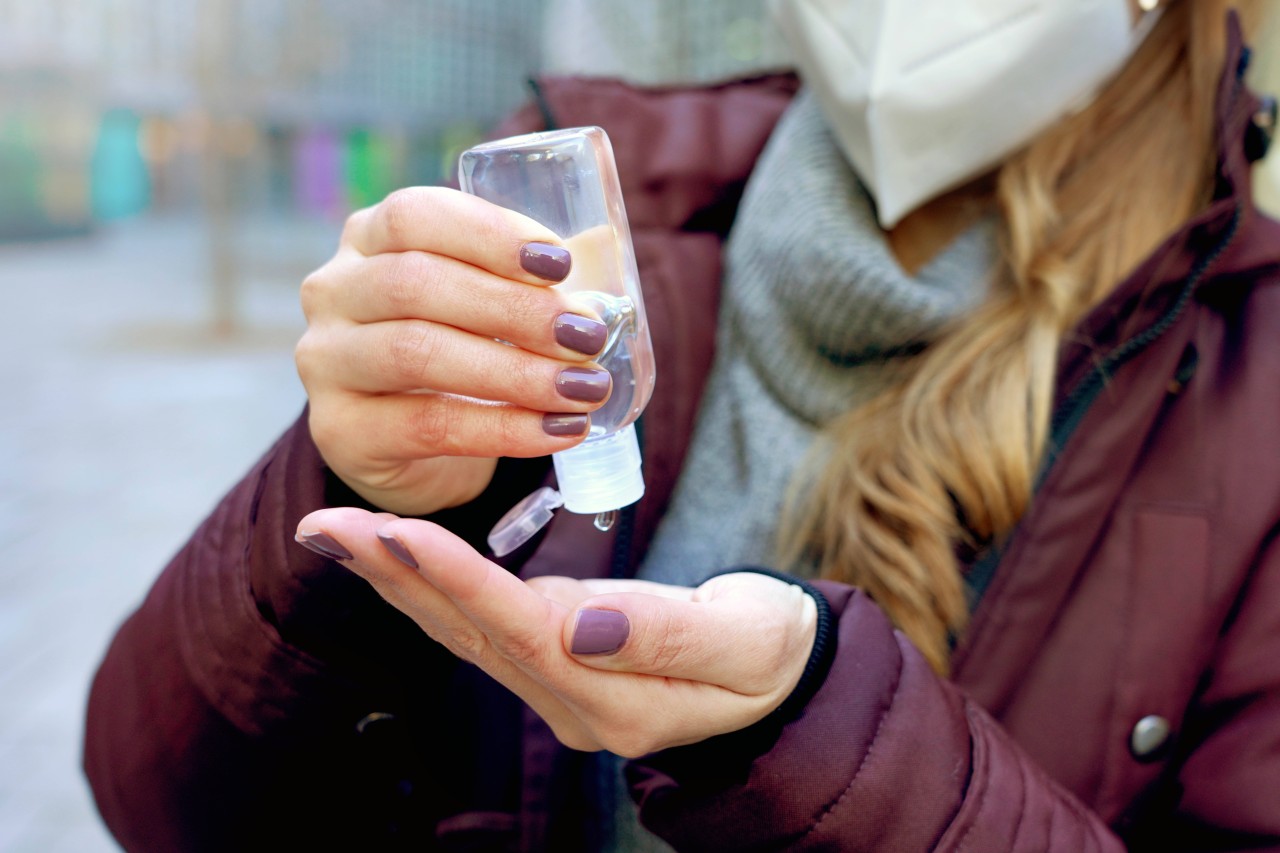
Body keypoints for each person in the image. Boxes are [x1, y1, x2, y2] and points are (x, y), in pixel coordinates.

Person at [84, 0, 1280, 850]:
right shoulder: (599, 239)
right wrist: (344, 497)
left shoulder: (1252, 380)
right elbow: (163, 809)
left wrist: (821, 751)